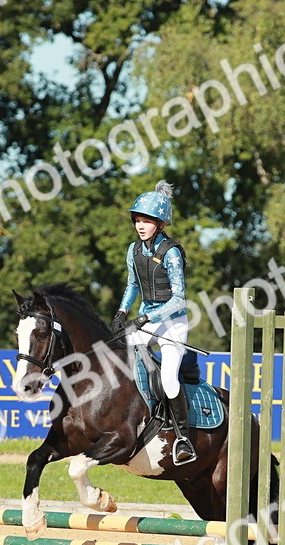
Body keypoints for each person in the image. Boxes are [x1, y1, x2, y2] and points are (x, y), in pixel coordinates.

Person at [112, 180, 196, 465]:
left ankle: (184, 439)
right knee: (123, 359)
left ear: (160, 223)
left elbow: (178, 300)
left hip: (172, 324)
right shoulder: (133, 251)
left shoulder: (171, 252)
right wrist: (122, 313)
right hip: (145, 319)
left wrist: (145, 317)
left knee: (168, 378)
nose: (140, 225)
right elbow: (132, 286)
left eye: (147, 220)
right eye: (137, 220)